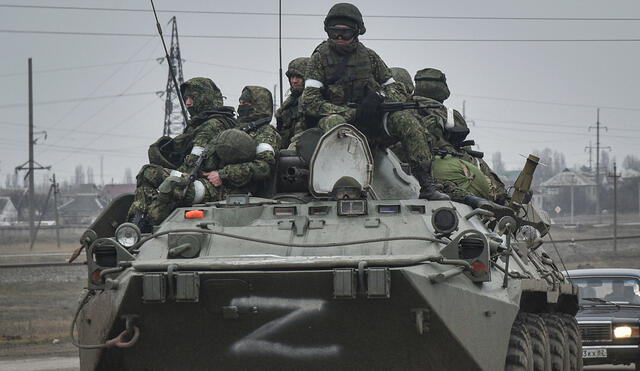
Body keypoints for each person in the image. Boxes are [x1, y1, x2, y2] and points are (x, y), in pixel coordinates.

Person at [300, 3, 448, 200]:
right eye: (335, 32)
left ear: (357, 32)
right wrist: (349, 113)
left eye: (345, 32)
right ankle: (345, 185)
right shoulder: (319, 59)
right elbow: (310, 101)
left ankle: (426, 183)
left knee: (407, 120)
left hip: (372, 122)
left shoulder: (369, 57)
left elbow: (396, 89)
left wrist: (379, 98)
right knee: (338, 126)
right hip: (338, 121)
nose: (340, 38)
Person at [147, 86, 282, 225]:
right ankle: (136, 226)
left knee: (172, 187)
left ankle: (151, 228)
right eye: (240, 103)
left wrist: (223, 175)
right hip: (207, 180)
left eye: (246, 104)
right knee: (149, 173)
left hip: (233, 191)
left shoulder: (266, 133)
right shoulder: (234, 129)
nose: (241, 107)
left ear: (259, 106)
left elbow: (263, 167)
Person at [127, 77, 236, 230]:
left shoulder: (211, 125)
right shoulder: (204, 124)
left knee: (149, 173)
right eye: (186, 98)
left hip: (213, 187)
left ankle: (139, 226)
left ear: (204, 98)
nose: (188, 103)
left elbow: (192, 166)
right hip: (203, 181)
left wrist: (167, 177)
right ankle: (142, 224)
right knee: (160, 177)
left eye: (193, 98)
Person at [411, 68, 511, 216]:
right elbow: (460, 132)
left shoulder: (403, 107)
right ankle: (503, 199)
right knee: (475, 162)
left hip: (415, 165)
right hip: (435, 165)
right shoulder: (447, 113)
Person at [275, 57, 315, 149]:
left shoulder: (316, 100)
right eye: (292, 77)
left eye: (298, 77)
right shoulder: (288, 105)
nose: (294, 81)